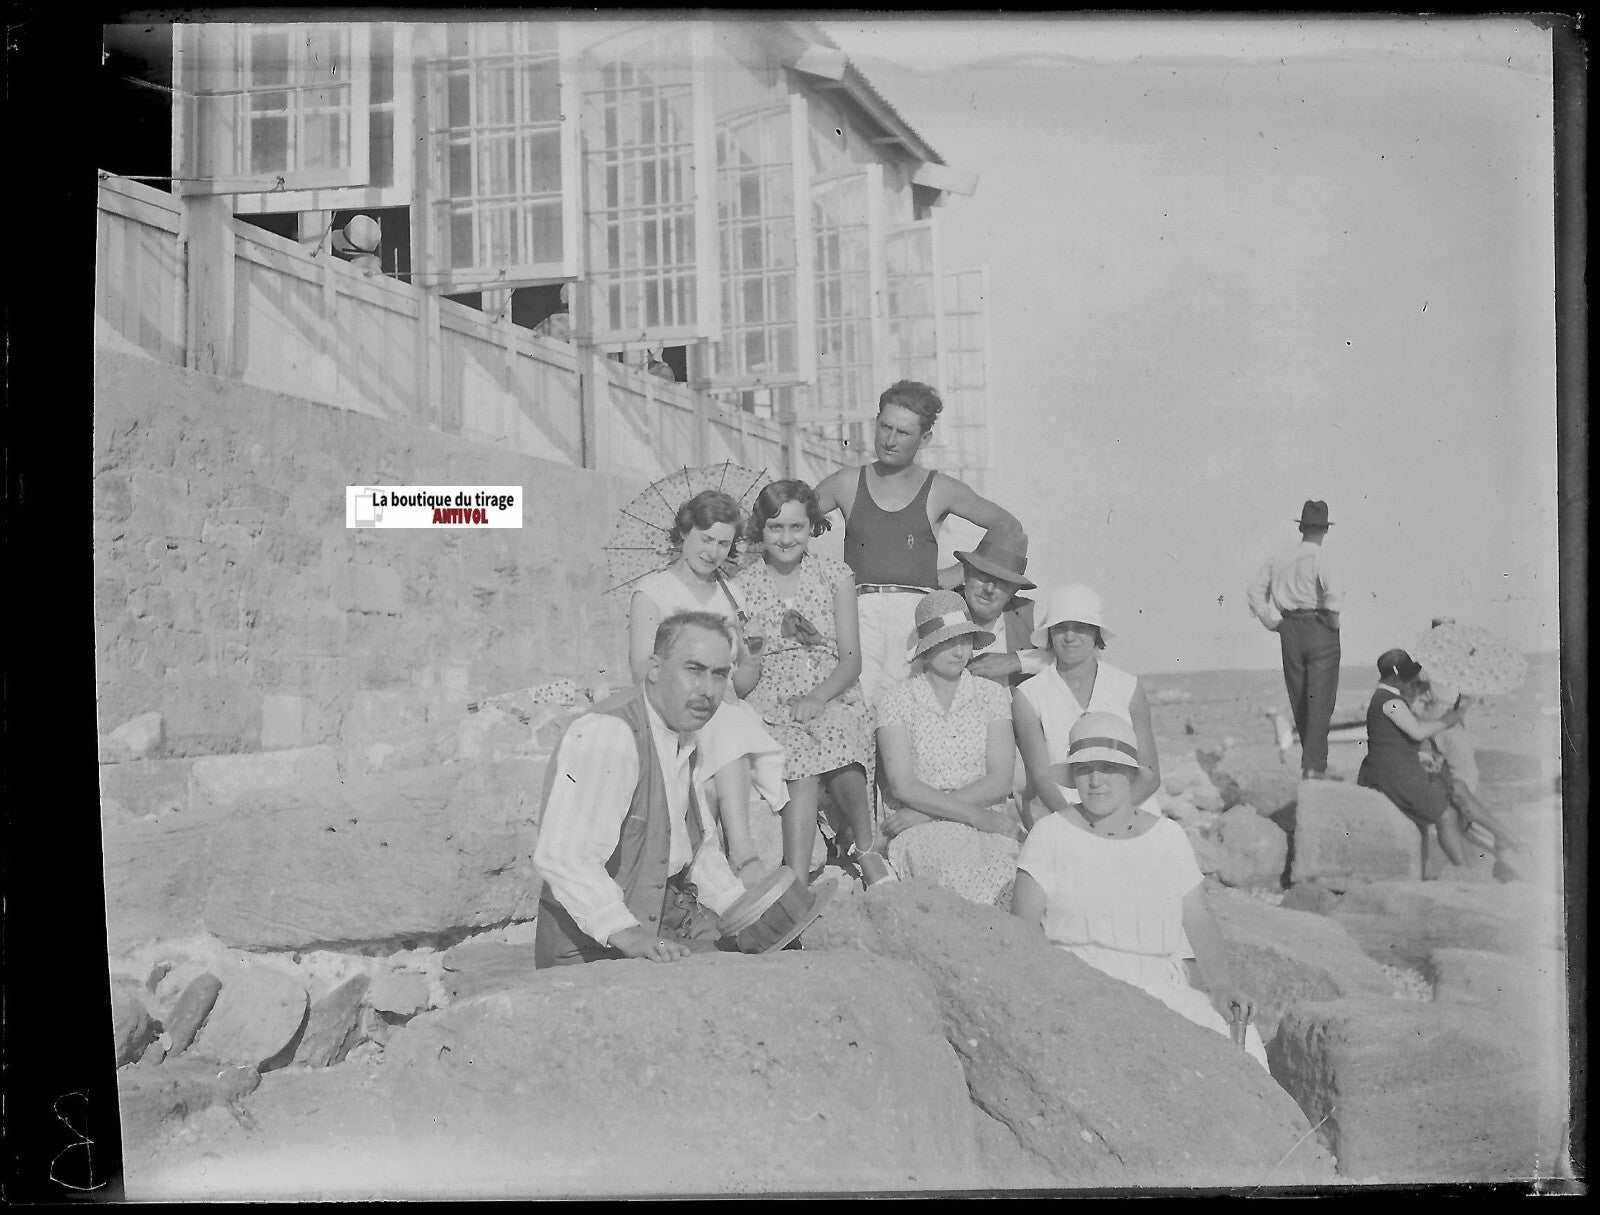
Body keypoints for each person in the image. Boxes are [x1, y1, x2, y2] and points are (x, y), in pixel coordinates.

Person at [1012, 713, 1268, 1067]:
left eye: (1109, 768)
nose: (1096, 781)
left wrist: (1221, 987)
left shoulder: (1168, 837)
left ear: (1131, 773)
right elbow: (1021, 930)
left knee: (1240, 1035)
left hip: (1161, 989)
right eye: (1085, 769)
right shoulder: (1050, 834)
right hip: (1079, 984)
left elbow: (1198, 921)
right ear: (1073, 776)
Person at [533, 611, 752, 967]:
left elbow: (696, 849)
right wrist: (629, 934)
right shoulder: (610, 733)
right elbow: (563, 856)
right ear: (654, 668)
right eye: (694, 670)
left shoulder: (683, 735)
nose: (708, 690)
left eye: (719, 674)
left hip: (664, 923)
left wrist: (741, 907)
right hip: (592, 950)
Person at [813, 380, 1026, 709]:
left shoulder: (940, 488)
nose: (890, 440)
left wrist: (963, 572)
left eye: (903, 433)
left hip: (915, 615)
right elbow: (788, 514)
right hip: (859, 611)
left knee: (906, 707)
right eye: (885, 427)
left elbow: (1008, 526)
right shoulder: (846, 482)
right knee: (857, 704)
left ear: (924, 438)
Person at [733, 480, 888, 888]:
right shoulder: (742, 586)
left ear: (812, 527)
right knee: (796, 753)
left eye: (796, 527)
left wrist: (818, 697)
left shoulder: (834, 575)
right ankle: (797, 880)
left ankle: (866, 848)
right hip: (773, 696)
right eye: (775, 528)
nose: (786, 538)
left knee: (837, 732)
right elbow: (746, 665)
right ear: (761, 530)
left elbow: (851, 660)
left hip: (831, 686)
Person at [628, 490, 787, 880]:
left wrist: (751, 656)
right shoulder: (652, 592)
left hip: (722, 709)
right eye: (706, 538)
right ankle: (744, 855)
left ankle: (709, 865)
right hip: (673, 708)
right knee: (724, 722)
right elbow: (641, 669)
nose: (713, 552)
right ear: (685, 532)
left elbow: (742, 685)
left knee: (719, 759)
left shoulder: (733, 596)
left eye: (723, 543)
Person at [874, 590, 1026, 907]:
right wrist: (970, 816)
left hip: (973, 819)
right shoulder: (897, 699)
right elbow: (903, 785)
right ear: (926, 648)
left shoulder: (992, 695)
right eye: (947, 642)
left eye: (965, 640)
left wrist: (926, 814)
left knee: (1008, 875)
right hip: (921, 830)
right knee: (950, 872)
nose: (959, 651)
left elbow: (1000, 780)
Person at [1356, 649, 1525, 873]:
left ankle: (1504, 836)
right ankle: (1464, 868)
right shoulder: (1389, 702)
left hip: (1402, 769)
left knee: (1458, 787)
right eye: (1409, 678)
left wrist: (1425, 754)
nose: (1413, 682)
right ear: (1394, 678)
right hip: (1393, 776)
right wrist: (1447, 720)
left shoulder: (1391, 699)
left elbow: (1402, 739)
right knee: (1447, 814)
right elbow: (1417, 732)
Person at [1013, 584, 1162, 832]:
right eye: (1061, 627)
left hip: (1132, 812)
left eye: (1080, 627)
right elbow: (1041, 777)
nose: (1069, 637)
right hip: (1066, 816)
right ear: (1049, 634)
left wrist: (1112, 818)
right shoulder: (1029, 695)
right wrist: (1082, 825)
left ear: (1096, 632)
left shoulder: (1128, 687)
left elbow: (1151, 773)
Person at [1246, 499, 1343, 781]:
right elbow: (1334, 595)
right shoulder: (1321, 558)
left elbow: (1254, 591)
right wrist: (1333, 623)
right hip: (1320, 626)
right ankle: (1314, 767)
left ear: (1302, 528)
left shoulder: (1280, 557)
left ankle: (1311, 764)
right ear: (1325, 530)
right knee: (1320, 700)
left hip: (1289, 628)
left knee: (1300, 697)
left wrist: (1270, 621)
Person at [953, 532, 1050, 688]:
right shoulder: (942, 609)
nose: (989, 589)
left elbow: (1075, 659)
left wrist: (1017, 660)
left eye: (1002, 582)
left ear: (1014, 590)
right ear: (966, 572)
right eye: (983, 575)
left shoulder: (1030, 614)